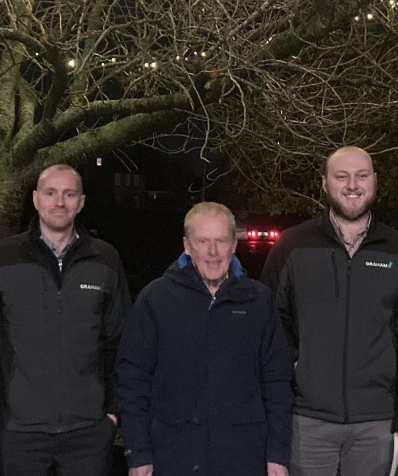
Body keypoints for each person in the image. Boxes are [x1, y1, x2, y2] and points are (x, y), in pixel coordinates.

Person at [260, 145, 398, 476]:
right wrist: (296, 367)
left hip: (376, 421)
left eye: (362, 175)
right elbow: (268, 326)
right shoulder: (292, 247)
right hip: (306, 420)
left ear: (375, 182)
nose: (352, 185)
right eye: (342, 176)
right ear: (324, 184)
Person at [0, 164, 131, 476]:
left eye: (69, 194)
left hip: (88, 434)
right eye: (50, 193)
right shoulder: (1, 258)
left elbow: (119, 342)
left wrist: (111, 413)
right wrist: (0, 415)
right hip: (20, 435)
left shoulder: (105, 259)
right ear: (35, 199)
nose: (60, 202)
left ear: (81, 202)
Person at [116, 201, 294, 476]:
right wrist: (138, 453)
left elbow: (277, 382)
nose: (213, 252)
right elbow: (132, 381)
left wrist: (277, 453)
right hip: (172, 455)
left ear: (234, 244)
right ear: (187, 245)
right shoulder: (156, 299)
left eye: (221, 241)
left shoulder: (258, 301)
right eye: (203, 241)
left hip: (245, 456)